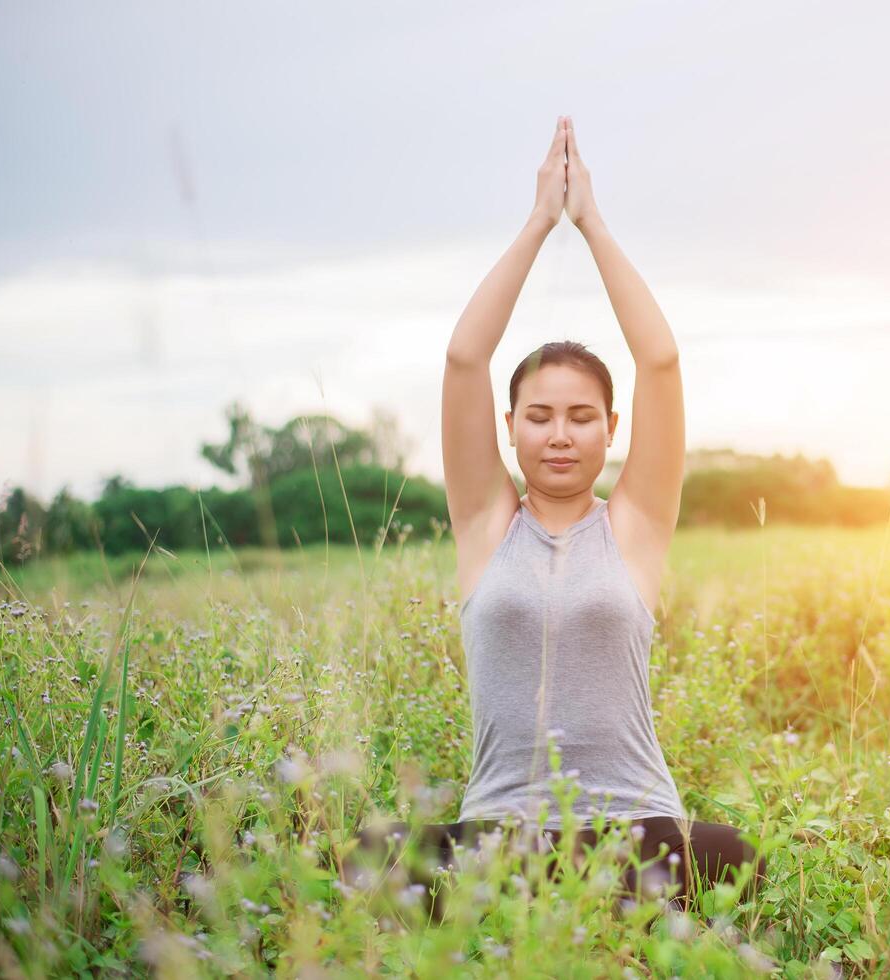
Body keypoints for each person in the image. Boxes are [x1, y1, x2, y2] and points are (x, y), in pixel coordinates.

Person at [343, 116, 765, 920]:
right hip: (502, 835)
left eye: (581, 416)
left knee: (731, 857)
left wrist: (592, 223)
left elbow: (661, 361)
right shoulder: (484, 530)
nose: (561, 434)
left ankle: (561, 912)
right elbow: (465, 358)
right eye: (539, 415)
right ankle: (559, 912)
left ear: (612, 427)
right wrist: (539, 221)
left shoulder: (634, 530)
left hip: (630, 832)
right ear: (510, 427)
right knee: (372, 856)